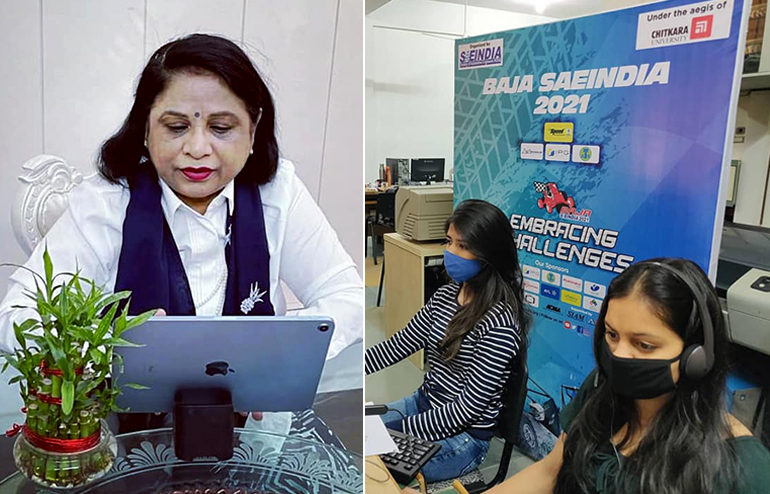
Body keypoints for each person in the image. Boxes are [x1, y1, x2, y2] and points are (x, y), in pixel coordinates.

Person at [0, 34, 362, 437]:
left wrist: (274, 357)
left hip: (253, 431)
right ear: (145, 127)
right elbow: (16, 316)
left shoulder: (278, 192)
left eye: (221, 128)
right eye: (175, 127)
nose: (197, 148)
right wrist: (107, 344)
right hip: (121, 435)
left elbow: (347, 297)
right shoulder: (105, 202)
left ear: (253, 128)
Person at [479, 258, 770, 494]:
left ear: (697, 357)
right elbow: (549, 472)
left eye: (644, 345)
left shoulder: (744, 467)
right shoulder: (599, 392)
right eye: (612, 335)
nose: (619, 355)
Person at [366, 199, 529, 483]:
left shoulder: (500, 324)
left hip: (464, 437)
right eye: (449, 241)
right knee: (359, 436)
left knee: (374, 466)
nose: (450, 252)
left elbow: (465, 410)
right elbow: (398, 345)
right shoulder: (445, 296)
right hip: (424, 403)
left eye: (463, 246)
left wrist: (399, 430)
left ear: (490, 254)